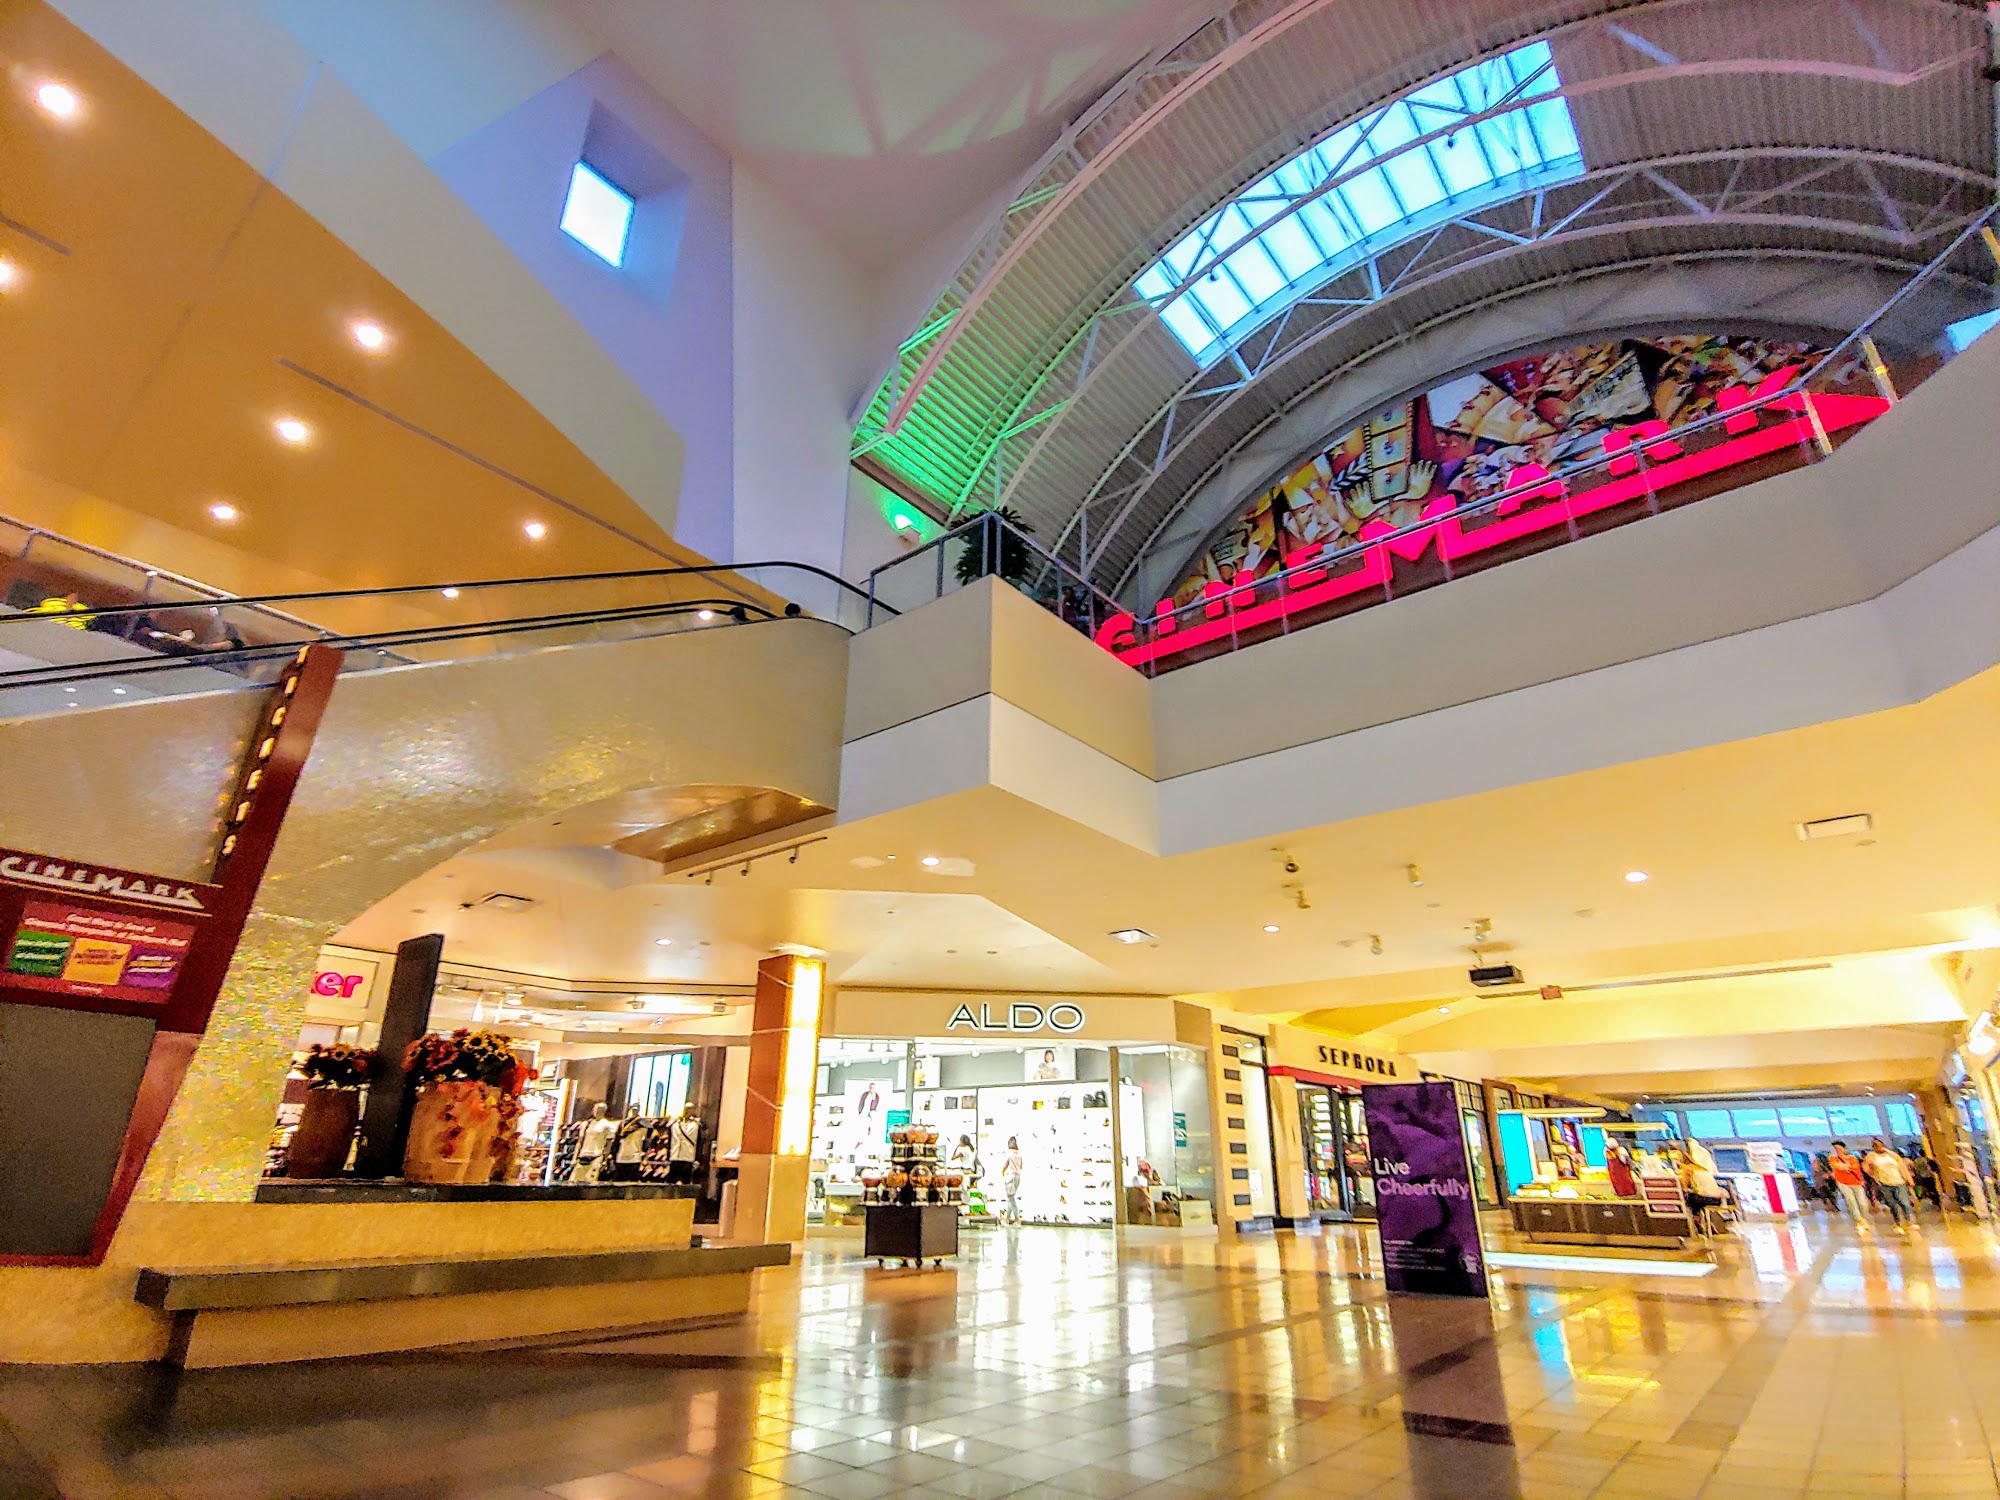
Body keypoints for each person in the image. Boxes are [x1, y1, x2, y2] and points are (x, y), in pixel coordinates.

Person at [1865, 1139, 1916, 1229]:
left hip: (1899, 1181)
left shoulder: (1892, 1155)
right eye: (1875, 1145)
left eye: (1879, 1145)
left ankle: (1909, 1221)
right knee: (1892, 1204)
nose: (1878, 1147)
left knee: (1904, 1202)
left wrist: (1908, 1179)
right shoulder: (1872, 1157)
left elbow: (1902, 1167)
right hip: (1885, 1183)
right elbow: (1867, 1167)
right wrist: (1875, 1176)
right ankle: (1898, 1222)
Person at [569, 1103, 617, 1182]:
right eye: (596, 1109)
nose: (597, 1111)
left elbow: (608, 1144)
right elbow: (580, 1141)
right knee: (574, 1180)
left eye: (600, 1109)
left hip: (596, 1156)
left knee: (590, 1181)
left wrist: (605, 1160)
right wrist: (574, 1158)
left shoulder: (608, 1125)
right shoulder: (586, 1124)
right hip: (583, 1155)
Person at [1828, 1141, 1870, 1227]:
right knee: (1851, 1201)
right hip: (1842, 1182)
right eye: (1835, 1149)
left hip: (1856, 1182)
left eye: (1839, 1148)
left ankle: (1864, 1218)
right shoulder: (1832, 1158)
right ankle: (1859, 1220)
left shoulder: (1852, 1158)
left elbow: (1855, 1168)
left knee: (1862, 1202)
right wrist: (1845, 1166)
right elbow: (1836, 1167)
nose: (1837, 1150)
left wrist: (1844, 1167)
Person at [1680, 1152, 1726, 1227]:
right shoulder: (1703, 1169)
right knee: (1695, 1197)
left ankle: (1696, 1221)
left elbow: (1684, 1188)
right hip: (1717, 1200)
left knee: (1688, 1198)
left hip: (1704, 1199)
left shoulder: (1687, 1169)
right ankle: (1707, 1223)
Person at [609, 1106, 647, 1182]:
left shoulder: (642, 1125)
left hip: (634, 1157)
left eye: (636, 1110)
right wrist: (612, 1154)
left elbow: (645, 1141)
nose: (634, 1112)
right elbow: (617, 1140)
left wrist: (644, 1156)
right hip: (621, 1156)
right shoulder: (622, 1124)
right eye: (632, 1110)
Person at [666, 1107, 701, 1184]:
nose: (687, 1111)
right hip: (675, 1155)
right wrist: (668, 1156)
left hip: (688, 1156)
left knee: (685, 1181)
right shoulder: (675, 1124)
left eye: (690, 1109)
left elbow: (699, 1142)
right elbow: (670, 1141)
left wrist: (697, 1158)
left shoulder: (696, 1125)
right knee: (672, 1182)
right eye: (686, 1109)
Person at [1000, 1136, 1024, 1224]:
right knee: (1011, 1197)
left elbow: (1004, 1166)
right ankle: (1007, 1218)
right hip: (1018, 1176)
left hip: (1010, 1176)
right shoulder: (1020, 1155)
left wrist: (1003, 1172)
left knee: (1010, 1197)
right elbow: (1021, 1166)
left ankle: (1017, 1218)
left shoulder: (1009, 1154)